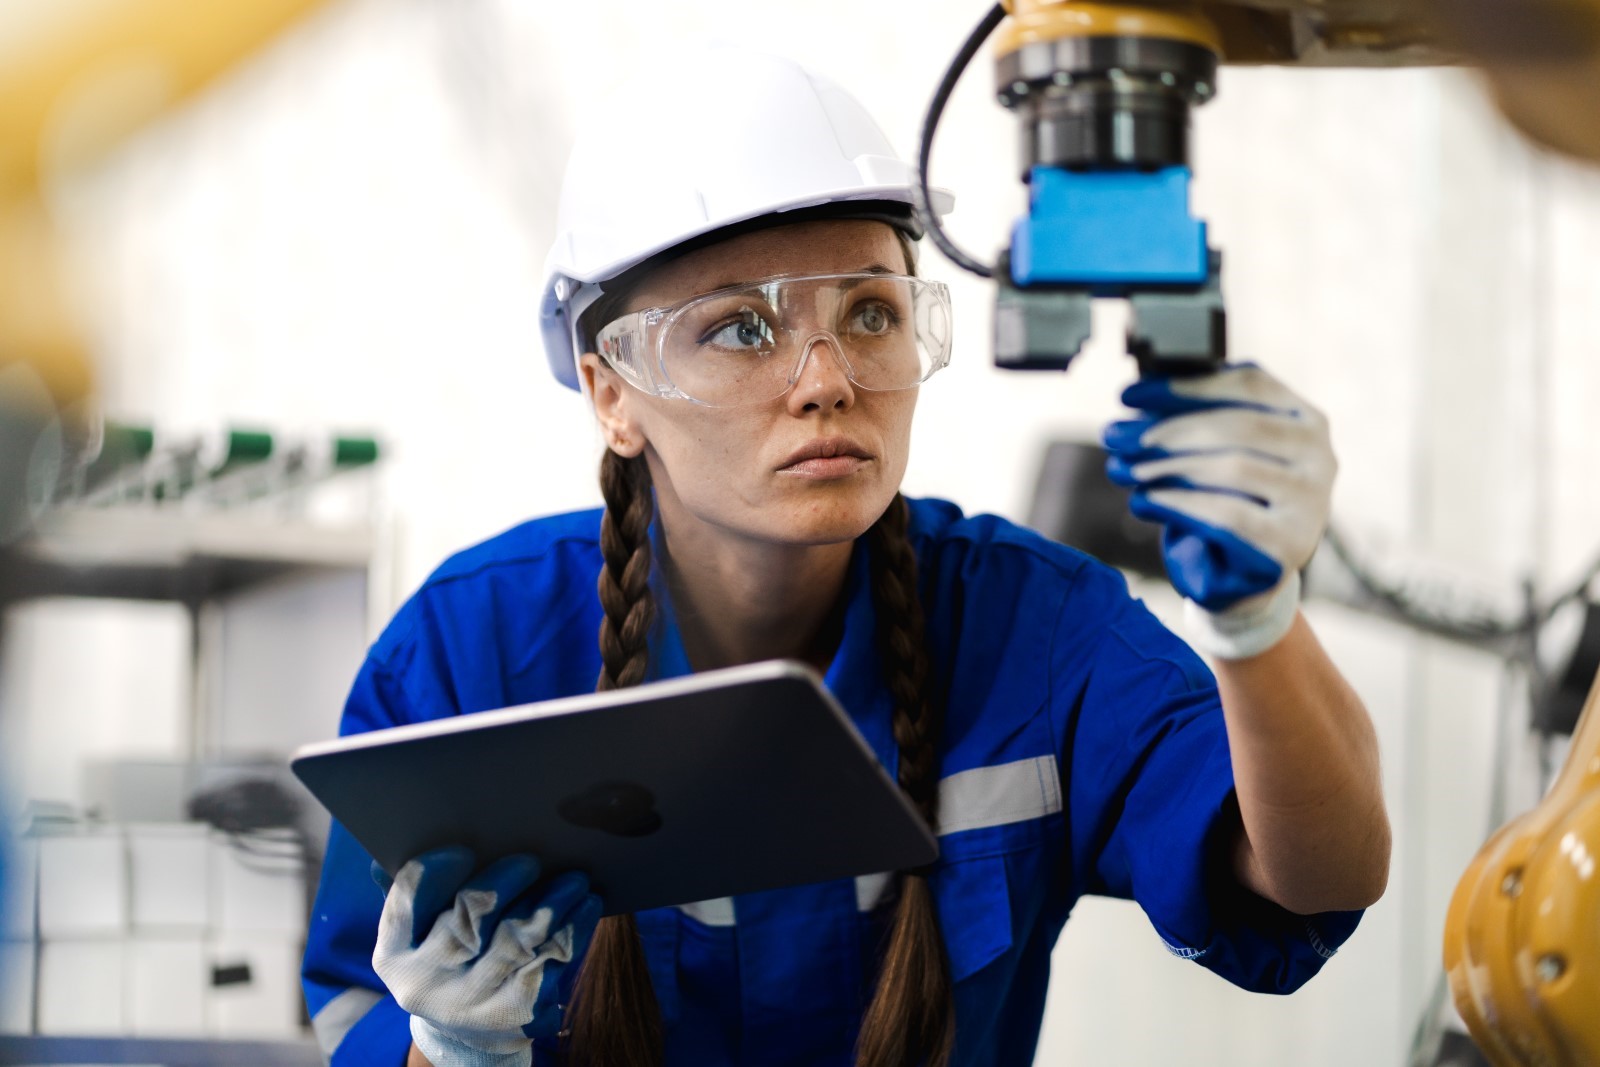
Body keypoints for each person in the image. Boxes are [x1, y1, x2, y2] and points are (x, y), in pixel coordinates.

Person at [301, 46, 1390, 1067]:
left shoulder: (1035, 631)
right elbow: (347, 1007)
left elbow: (1309, 880)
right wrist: (448, 1045)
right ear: (610, 391)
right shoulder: (471, 654)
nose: (826, 378)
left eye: (871, 312)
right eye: (739, 328)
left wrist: (1256, 618)